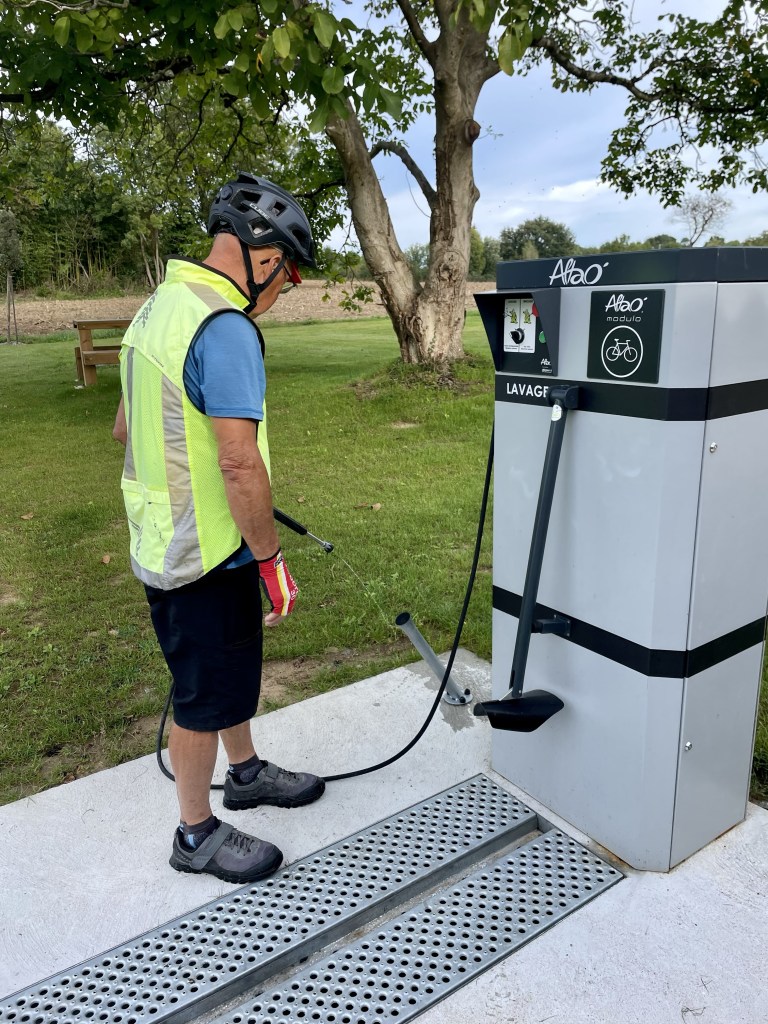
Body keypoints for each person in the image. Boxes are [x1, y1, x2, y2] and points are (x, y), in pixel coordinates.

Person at [112, 173, 325, 885]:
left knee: (219, 674)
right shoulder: (226, 325)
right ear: (264, 255)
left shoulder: (158, 308)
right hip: (209, 549)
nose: (285, 288)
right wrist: (271, 559)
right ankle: (195, 833)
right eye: (289, 273)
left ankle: (247, 772)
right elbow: (237, 460)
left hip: (162, 534)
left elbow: (125, 428)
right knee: (203, 694)